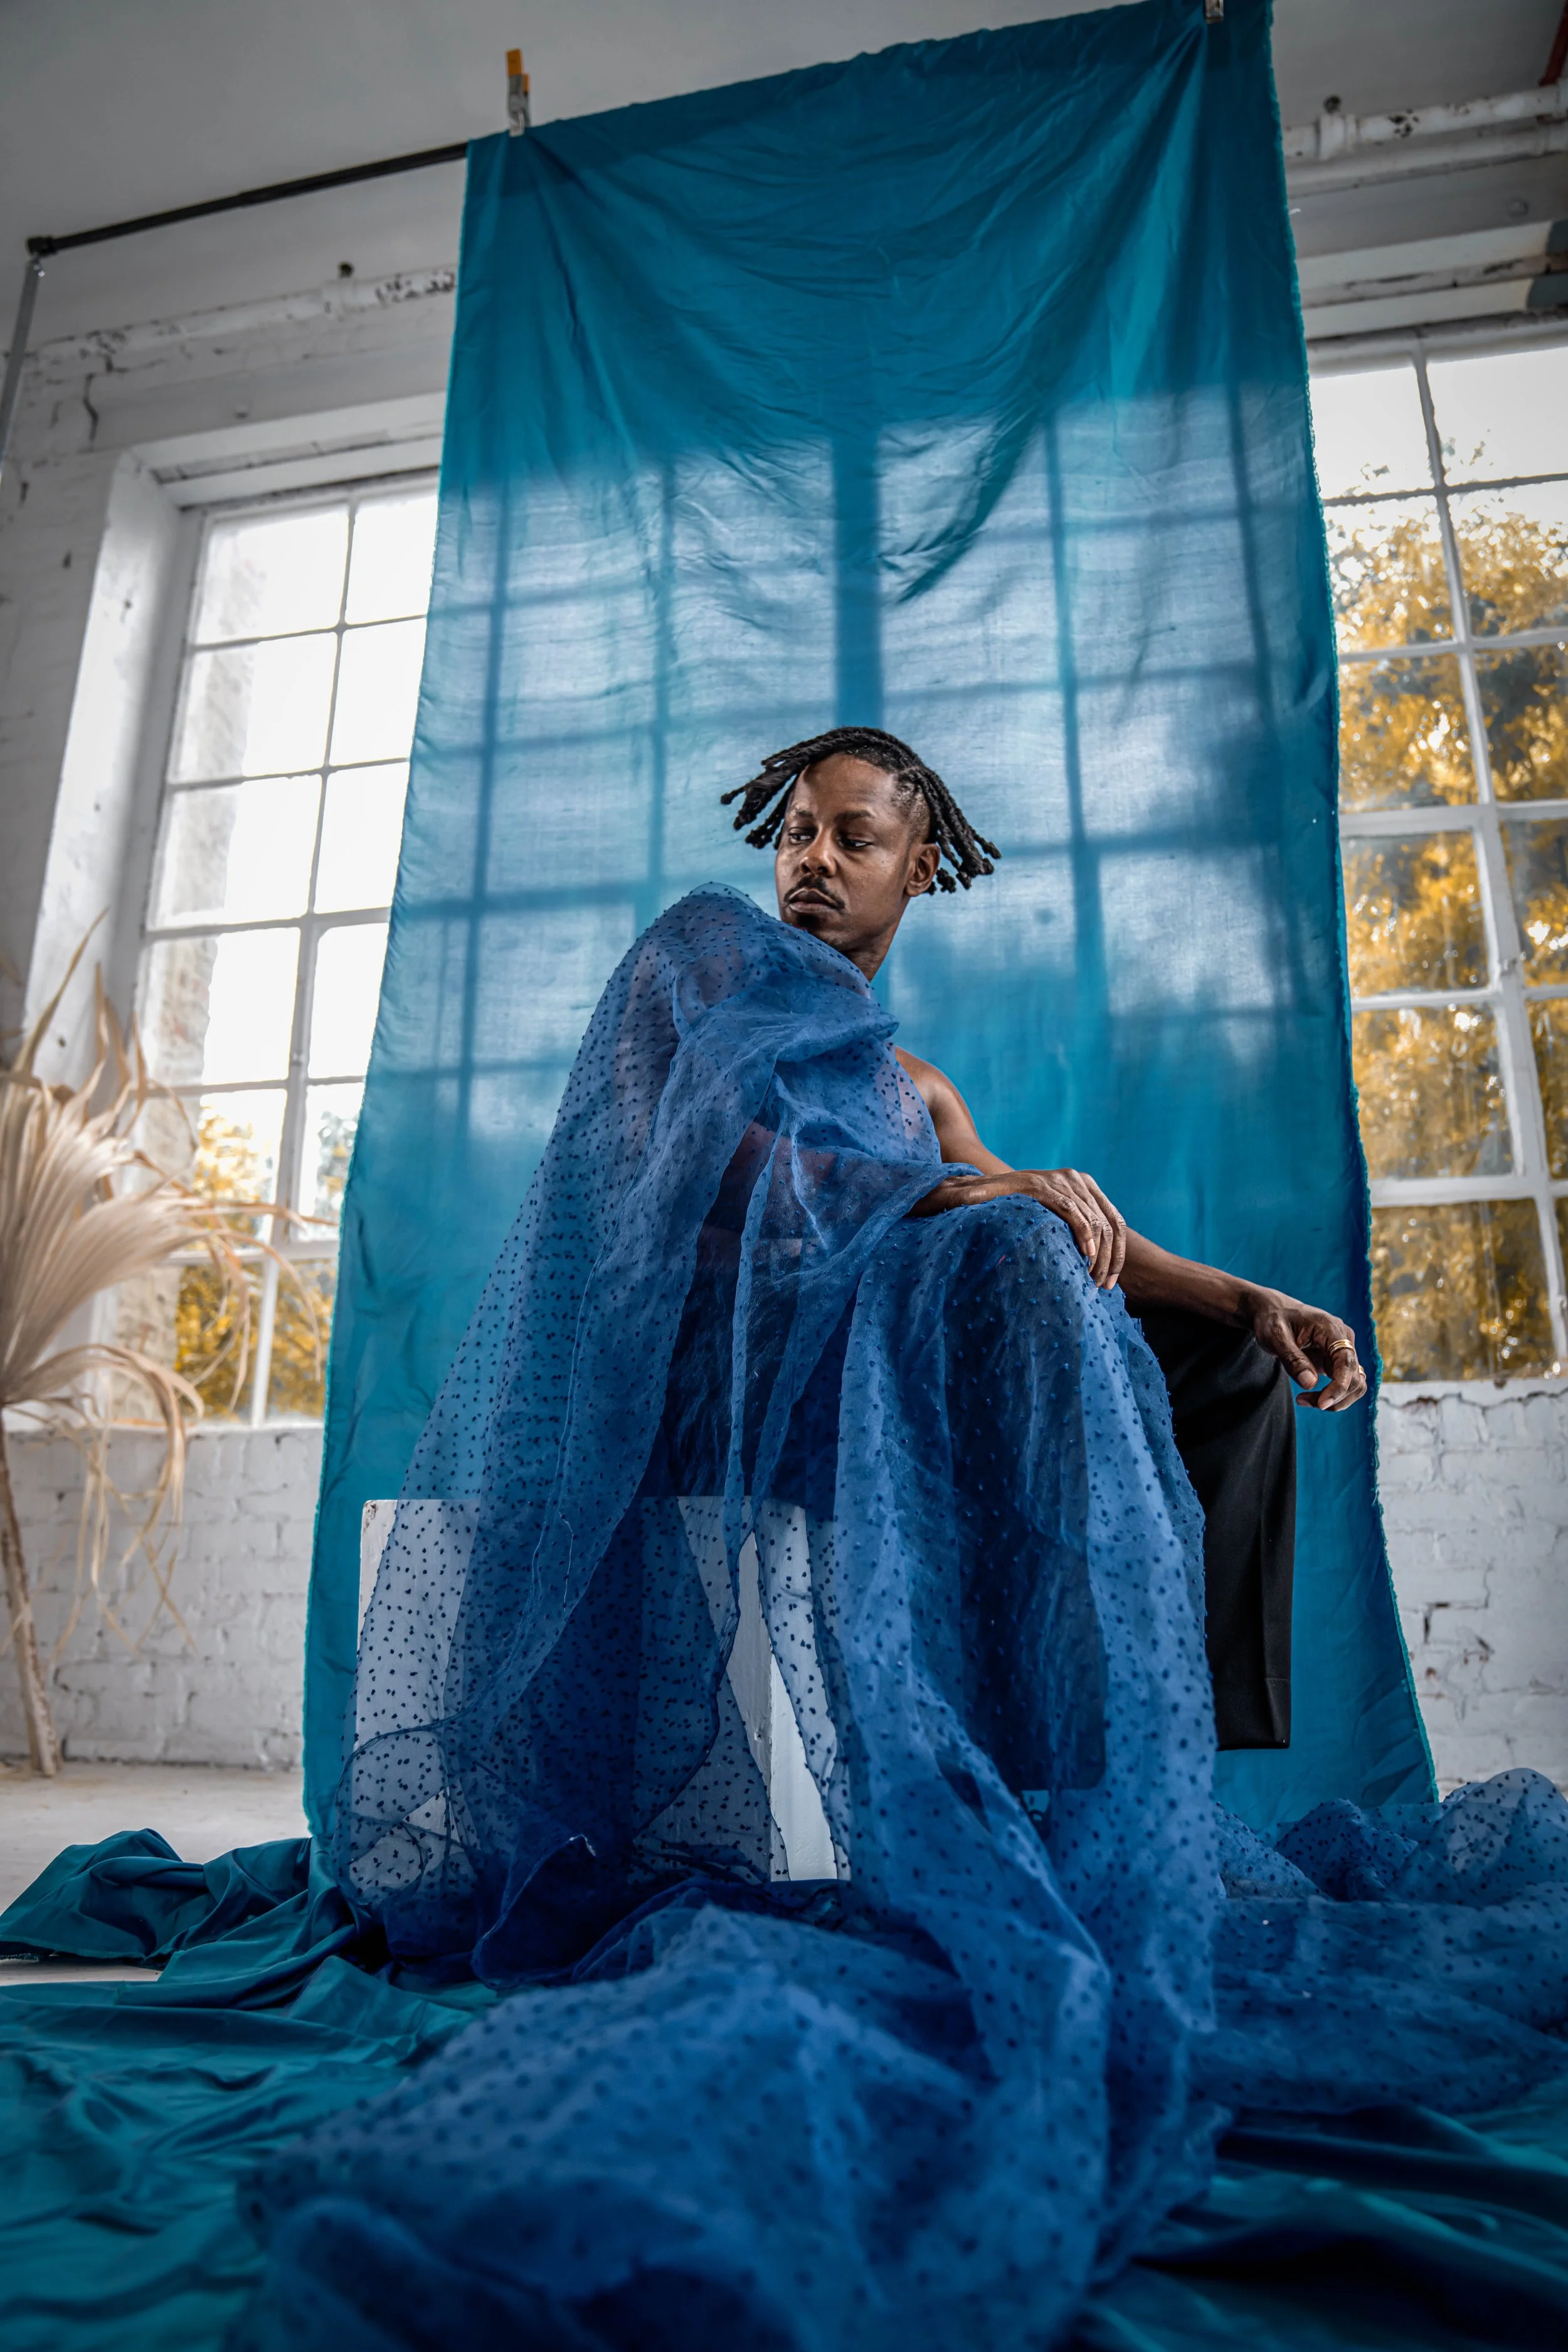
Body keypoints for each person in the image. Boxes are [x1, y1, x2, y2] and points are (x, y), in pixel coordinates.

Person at [724, 723, 1367, 1752]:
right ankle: (1037, 1717)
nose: (816, 859)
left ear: (918, 869)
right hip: (762, 1368)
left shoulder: (917, 1090)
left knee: (1232, 1360)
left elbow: (1067, 1225)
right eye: (798, 833)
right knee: (1016, 1247)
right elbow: (748, 1175)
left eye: (854, 838)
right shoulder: (712, 1010)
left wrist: (1254, 1301)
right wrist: (972, 1193)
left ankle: (1165, 1728)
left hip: (914, 1369)